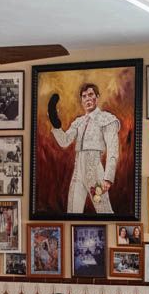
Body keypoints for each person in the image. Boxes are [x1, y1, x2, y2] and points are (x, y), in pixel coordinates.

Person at [48, 81, 120, 214]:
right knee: (73, 211)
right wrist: (55, 123)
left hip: (95, 171)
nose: (87, 98)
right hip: (78, 171)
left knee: (104, 211)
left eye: (90, 94)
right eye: (84, 96)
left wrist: (108, 177)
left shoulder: (107, 119)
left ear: (97, 97)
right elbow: (64, 141)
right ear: (81, 100)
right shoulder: (79, 122)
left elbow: (113, 149)